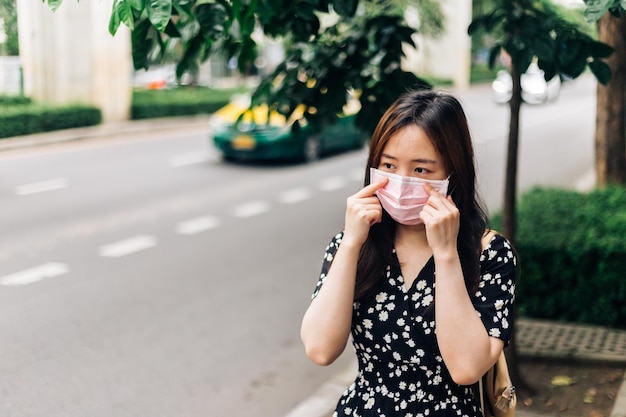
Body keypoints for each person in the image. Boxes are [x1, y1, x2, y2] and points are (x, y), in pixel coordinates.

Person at [300, 89, 516, 417]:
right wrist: (350, 244)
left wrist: (445, 254)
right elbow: (320, 349)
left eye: (421, 170)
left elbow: (466, 368)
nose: (400, 183)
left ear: (452, 173)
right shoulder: (356, 247)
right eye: (388, 165)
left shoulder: (490, 253)